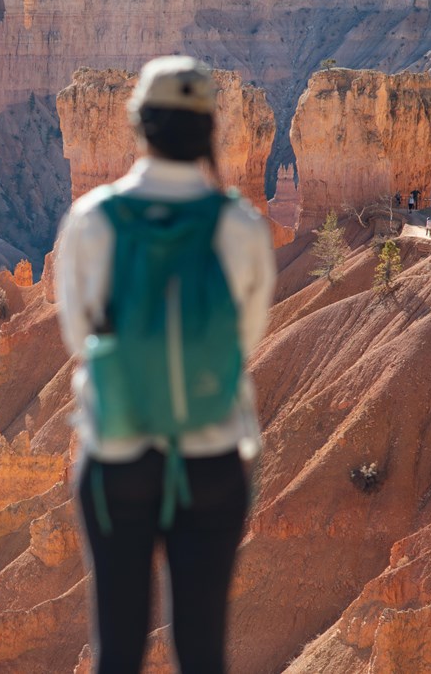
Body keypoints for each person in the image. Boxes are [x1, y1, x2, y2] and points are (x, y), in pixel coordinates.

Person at [55, 56, 276, 674]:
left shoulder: (93, 219)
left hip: (117, 455)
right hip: (212, 458)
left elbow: (79, 336)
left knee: (117, 650)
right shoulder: (239, 225)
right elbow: (247, 338)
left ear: (137, 127)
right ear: (211, 130)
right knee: (203, 650)